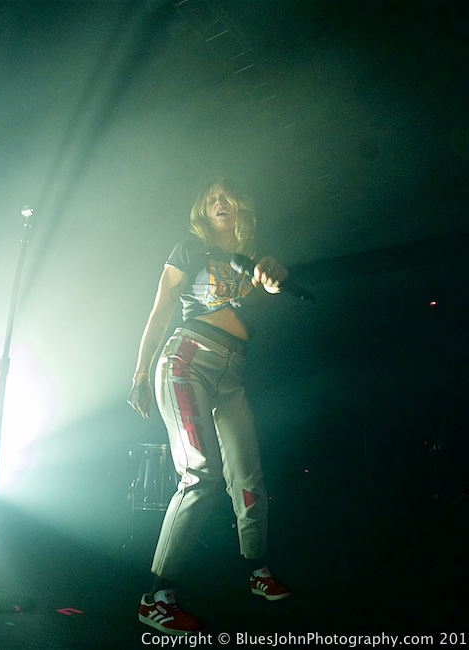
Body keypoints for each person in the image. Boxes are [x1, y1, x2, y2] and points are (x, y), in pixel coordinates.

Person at [128, 178, 291, 635]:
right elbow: (160, 310)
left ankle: (257, 570)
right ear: (204, 209)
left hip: (232, 373)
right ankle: (156, 597)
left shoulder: (257, 260)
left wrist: (273, 271)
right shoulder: (188, 251)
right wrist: (140, 374)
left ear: (241, 207)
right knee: (200, 472)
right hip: (188, 359)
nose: (219, 201)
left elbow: (273, 289)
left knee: (248, 473)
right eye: (211, 197)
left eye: (227, 196)